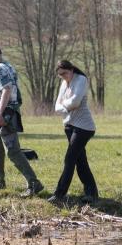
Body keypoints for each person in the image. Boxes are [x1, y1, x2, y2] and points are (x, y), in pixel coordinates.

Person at [0, 45, 44, 197]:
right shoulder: (8, 66)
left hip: (5, 114)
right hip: (5, 112)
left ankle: (34, 183)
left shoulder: (0, 69)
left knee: (13, 151)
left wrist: (1, 113)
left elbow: (7, 89)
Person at [48, 60, 98, 204]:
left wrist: (65, 106)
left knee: (69, 159)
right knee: (80, 161)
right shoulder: (64, 83)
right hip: (69, 126)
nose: (63, 77)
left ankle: (59, 194)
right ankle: (91, 193)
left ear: (71, 69)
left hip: (84, 127)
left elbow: (75, 102)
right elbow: (57, 105)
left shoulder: (81, 79)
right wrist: (66, 107)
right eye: (60, 75)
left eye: (64, 73)